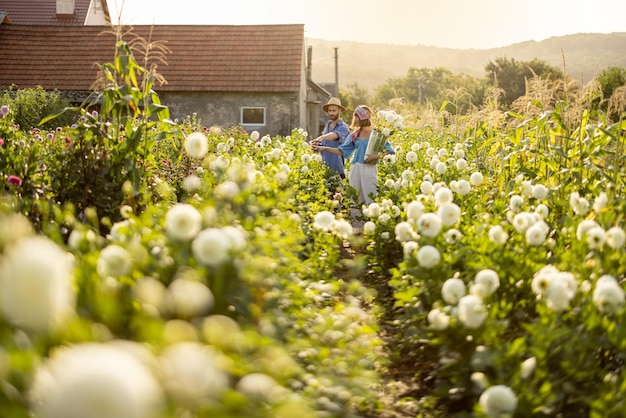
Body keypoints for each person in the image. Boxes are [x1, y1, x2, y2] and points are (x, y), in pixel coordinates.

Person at [312, 105, 395, 230]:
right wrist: (323, 148)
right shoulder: (355, 135)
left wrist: (375, 156)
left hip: (369, 169)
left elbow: (390, 152)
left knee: (370, 198)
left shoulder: (377, 134)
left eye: (357, 116)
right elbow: (342, 151)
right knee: (355, 200)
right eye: (354, 116)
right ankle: (358, 231)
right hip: (355, 168)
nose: (354, 119)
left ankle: (374, 229)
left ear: (364, 117)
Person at [312, 97, 350, 178]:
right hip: (324, 168)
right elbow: (325, 144)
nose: (331, 113)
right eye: (330, 111)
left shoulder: (343, 127)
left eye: (334, 110)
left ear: (339, 110)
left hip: (336, 170)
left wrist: (322, 137)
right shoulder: (328, 125)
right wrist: (317, 147)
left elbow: (335, 135)